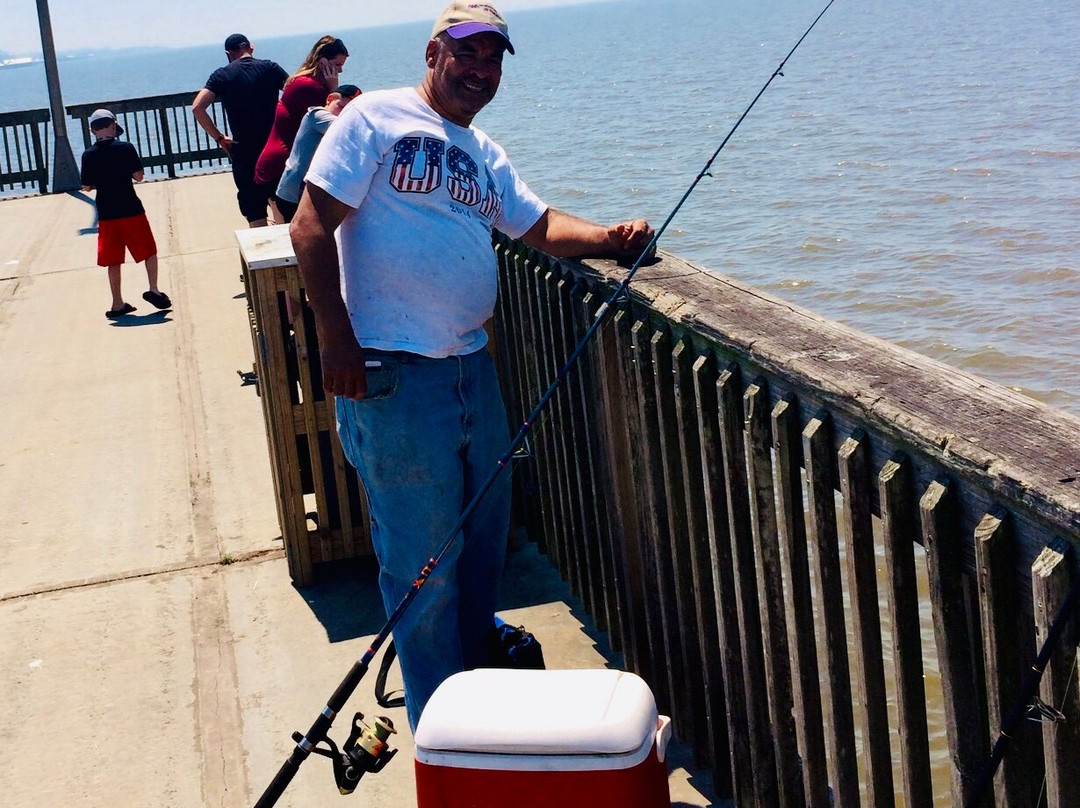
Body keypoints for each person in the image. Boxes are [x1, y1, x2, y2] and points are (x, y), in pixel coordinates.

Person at [290, 1, 654, 732]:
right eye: (468, 54)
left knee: (482, 546)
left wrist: (612, 239)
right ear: (434, 53)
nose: (481, 71)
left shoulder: (484, 151)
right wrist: (336, 340)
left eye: (493, 59)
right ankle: (443, 742)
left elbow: (540, 226)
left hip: (471, 371)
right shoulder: (373, 121)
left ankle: (480, 711)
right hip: (392, 376)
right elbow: (308, 227)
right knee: (424, 569)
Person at [79, 109, 172, 320]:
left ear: (93, 130)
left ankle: (117, 302)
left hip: (107, 212)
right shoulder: (126, 148)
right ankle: (154, 289)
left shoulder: (88, 154)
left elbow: (86, 187)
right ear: (113, 125)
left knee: (113, 259)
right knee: (148, 250)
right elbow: (139, 177)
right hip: (131, 208)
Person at [192, 34, 288, 227]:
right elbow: (294, 94)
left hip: (244, 152)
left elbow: (197, 107)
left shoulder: (221, 75)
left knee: (255, 212)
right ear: (251, 48)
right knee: (282, 205)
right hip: (275, 148)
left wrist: (220, 138)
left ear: (229, 53)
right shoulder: (270, 68)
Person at [254, 36, 349, 221]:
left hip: (279, 162)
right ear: (323, 62)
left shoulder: (299, 81)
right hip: (285, 165)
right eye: (337, 64)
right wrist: (333, 89)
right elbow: (330, 123)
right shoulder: (311, 88)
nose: (340, 70)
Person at [274, 84, 360, 223]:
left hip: (303, 190)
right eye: (341, 107)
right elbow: (347, 130)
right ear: (330, 99)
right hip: (293, 193)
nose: (343, 114)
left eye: (349, 112)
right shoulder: (316, 115)